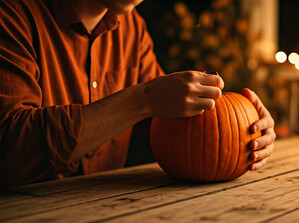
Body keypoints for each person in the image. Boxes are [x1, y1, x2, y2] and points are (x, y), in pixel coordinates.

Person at [0, 0, 276, 187]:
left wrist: (246, 130)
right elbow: (9, 147)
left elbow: (163, 126)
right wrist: (142, 100)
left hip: (105, 213)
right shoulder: (11, 14)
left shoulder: (132, 28)